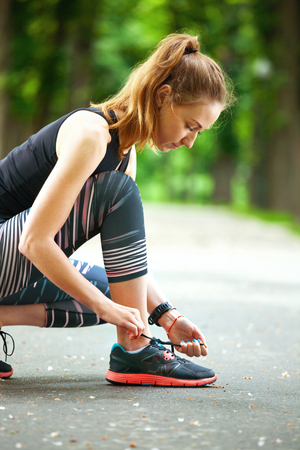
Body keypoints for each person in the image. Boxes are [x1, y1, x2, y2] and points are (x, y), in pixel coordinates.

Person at [0, 33, 233, 386]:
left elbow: (129, 270)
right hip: (12, 250)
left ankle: (135, 342)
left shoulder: (125, 157)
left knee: (122, 296)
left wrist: (167, 315)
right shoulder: (92, 135)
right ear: (163, 96)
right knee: (109, 295)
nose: (189, 142)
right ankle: (136, 353)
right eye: (190, 126)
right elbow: (34, 241)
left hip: (9, 265)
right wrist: (105, 309)